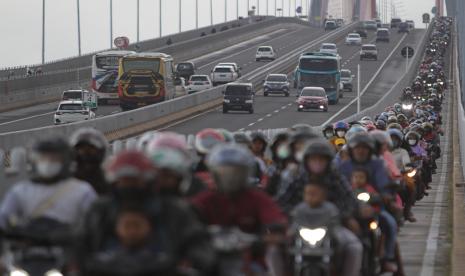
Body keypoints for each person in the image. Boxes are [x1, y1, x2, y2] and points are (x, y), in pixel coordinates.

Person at [77, 151, 216, 275]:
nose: (129, 187)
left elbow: (197, 241)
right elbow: (78, 240)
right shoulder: (100, 209)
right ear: (114, 182)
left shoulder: (173, 209)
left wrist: (193, 261)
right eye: (124, 181)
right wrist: (72, 262)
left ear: (149, 181)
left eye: (135, 181)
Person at [191, 144, 287, 275]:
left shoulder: (256, 198)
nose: (229, 177)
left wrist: (275, 232)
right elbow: (188, 219)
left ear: (245, 173)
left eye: (235, 172)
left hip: (250, 261)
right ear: (215, 173)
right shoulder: (205, 199)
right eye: (224, 172)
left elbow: (275, 218)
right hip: (208, 261)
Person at [0, 137, 97, 230]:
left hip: (69, 245)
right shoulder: (21, 191)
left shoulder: (82, 191)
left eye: (54, 159)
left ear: (65, 161)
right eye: (43, 159)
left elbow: (95, 223)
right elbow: (4, 218)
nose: (47, 163)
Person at [339, 132, 399, 272]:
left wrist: (385, 195)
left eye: (364, 147)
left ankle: (387, 258)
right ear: (351, 150)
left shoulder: (378, 164)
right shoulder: (344, 166)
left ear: (370, 149)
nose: (361, 150)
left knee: (390, 223)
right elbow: (338, 187)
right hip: (349, 210)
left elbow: (384, 184)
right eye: (357, 147)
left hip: (375, 207)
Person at [70, 128, 110, 195]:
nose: (86, 153)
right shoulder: (66, 181)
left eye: (90, 150)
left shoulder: (109, 178)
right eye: (81, 150)